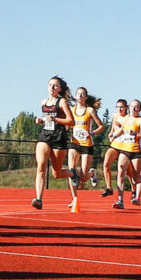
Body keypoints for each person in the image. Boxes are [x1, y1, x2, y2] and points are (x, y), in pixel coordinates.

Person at [33, 77, 78, 210]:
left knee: (56, 173)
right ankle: (38, 199)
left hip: (59, 137)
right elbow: (47, 119)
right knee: (41, 166)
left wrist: (55, 119)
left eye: (56, 86)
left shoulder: (62, 101)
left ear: (60, 88)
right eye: (51, 85)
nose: (52, 88)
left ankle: (72, 173)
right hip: (45, 136)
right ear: (47, 87)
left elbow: (71, 121)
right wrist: (41, 121)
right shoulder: (43, 102)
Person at [111, 99, 141, 209]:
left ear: (139, 109)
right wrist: (114, 136)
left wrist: (136, 134)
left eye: (136, 107)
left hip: (137, 151)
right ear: (129, 107)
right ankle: (120, 200)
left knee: (135, 179)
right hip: (125, 150)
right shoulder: (126, 119)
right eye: (132, 106)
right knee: (121, 172)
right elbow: (122, 130)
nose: (134, 109)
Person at [67, 88, 105, 192]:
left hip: (86, 145)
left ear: (86, 97)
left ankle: (92, 173)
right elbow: (67, 124)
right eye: (78, 94)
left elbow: (101, 126)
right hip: (74, 143)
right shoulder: (71, 110)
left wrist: (91, 133)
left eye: (82, 94)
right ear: (75, 97)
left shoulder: (90, 110)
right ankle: (74, 199)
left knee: (83, 178)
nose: (80, 95)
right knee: (72, 171)